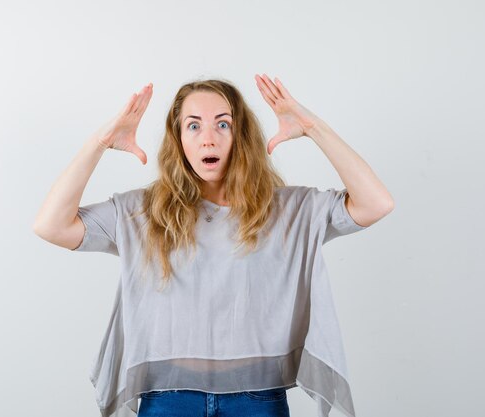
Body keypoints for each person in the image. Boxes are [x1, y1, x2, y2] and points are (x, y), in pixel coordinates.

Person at [33, 74, 394, 417]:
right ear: (178, 139)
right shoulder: (144, 212)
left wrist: (314, 128)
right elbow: (52, 226)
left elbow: (375, 203)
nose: (209, 138)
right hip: (167, 400)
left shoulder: (290, 210)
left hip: (258, 400)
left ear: (241, 135)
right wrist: (100, 142)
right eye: (194, 125)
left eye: (223, 124)